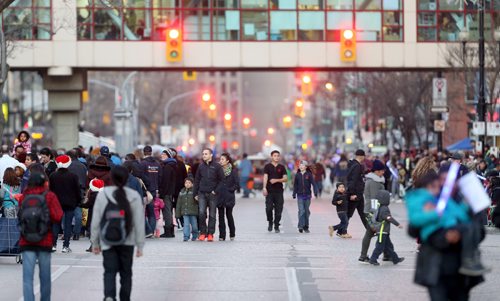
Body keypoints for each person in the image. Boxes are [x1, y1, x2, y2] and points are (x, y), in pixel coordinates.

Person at [407, 171, 486, 300]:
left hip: (461, 268)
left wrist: (459, 235)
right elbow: (412, 230)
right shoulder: (430, 200)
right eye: (443, 179)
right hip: (435, 267)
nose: (446, 183)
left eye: (451, 180)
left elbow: (480, 231)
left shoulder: (466, 199)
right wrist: (442, 236)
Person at [91, 166, 145, 301]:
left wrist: (95, 242)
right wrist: (140, 245)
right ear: (127, 178)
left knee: (109, 271)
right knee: (126, 273)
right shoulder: (133, 196)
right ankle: (124, 298)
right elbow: (138, 222)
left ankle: (109, 296)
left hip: (107, 239)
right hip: (128, 240)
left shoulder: (103, 194)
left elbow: (96, 221)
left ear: (111, 177)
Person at [19, 172, 63, 301]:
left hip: (26, 240)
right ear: (44, 183)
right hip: (45, 240)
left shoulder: (24, 196)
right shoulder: (49, 196)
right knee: (45, 277)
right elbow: (58, 216)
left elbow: (20, 215)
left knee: (27, 278)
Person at [49, 155, 82, 253]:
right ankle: (65, 246)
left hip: (56, 203)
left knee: (55, 224)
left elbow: (50, 190)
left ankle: (53, 245)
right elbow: (77, 191)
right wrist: (78, 201)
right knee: (68, 224)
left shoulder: (52, 176)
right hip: (70, 203)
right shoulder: (73, 176)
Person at [194, 148, 224, 242]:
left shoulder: (217, 166)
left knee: (212, 215)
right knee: (201, 213)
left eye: (206, 154)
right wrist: (195, 193)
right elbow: (197, 180)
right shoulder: (201, 166)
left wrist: (215, 191)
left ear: (211, 155)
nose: (204, 155)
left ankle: (210, 234)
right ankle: (203, 233)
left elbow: (222, 180)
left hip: (212, 194)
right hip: (202, 193)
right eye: (203, 154)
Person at [359, 159, 386, 263]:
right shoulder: (374, 182)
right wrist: (376, 213)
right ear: (377, 171)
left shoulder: (374, 180)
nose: (383, 172)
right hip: (372, 210)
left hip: (370, 210)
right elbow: (375, 198)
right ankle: (385, 254)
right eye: (382, 170)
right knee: (378, 233)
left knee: (371, 233)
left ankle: (364, 255)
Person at [369, 190, 405, 266]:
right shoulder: (384, 208)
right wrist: (397, 224)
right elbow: (388, 217)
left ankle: (395, 259)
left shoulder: (380, 207)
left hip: (384, 231)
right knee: (380, 247)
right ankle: (373, 259)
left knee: (389, 246)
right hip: (382, 231)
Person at [263, 150, 288, 233]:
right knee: (268, 208)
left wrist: (276, 180)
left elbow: (285, 179)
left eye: (278, 156)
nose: (276, 157)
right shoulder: (267, 166)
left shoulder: (282, 167)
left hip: (279, 192)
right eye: (275, 156)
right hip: (269, 191)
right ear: (271, 157)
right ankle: (270, 222)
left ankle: (276, 224)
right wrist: (264, 188)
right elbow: (265, 177)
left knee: (279, 210)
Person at [140, 145, 161, 238]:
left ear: (144, 152)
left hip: (145, 190)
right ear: (151, 152)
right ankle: (151, 231)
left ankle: (147, 231)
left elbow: (141, 177)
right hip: (154, 190)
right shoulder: (157, 164)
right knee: (151, 212)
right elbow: (160, 177)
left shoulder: (142, 164)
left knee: (143, 211)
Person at [217, 153, 239, 241]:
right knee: (220, 216)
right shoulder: (218, 170)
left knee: (229, 215)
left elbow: (237, 184)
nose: (220, 161)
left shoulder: (233, 171)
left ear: (227, 161)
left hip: (229, 196)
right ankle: (222, 235)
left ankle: (232, 234)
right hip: (220, 196)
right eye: (220, 159)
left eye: (222, 159)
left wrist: (230, 190)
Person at [292, 160, 318, 233]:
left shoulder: (309, 174)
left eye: (302, 165)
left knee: (306, 211)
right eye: (300, 165)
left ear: (306, 167)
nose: (301, 166)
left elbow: (313, 183)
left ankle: (306, 226)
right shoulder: (297, 175)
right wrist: (294, 193)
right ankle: (300, 226)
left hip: (307, 195)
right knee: (301, 211)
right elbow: (295, 186)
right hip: (300, 195)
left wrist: (315, 191)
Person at [67, 150, 88, 241]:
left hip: (69, 191)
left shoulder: (68, 166)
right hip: (80, 191)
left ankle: (68, 232)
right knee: (78, 213)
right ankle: (77, 233)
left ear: (69, 157)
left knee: (68, 213)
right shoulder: (83, 166)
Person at [346, 149, 368, 230]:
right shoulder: (357, 166)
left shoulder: (352, 164)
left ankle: (370, 230)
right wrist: (352, 194)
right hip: (355, 194)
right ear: (361, 156)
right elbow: (353, 180)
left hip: (358, 193)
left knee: (362, 213)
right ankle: (341, 230)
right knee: (349, 214)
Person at [159, 149, 176, 238]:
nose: (162, 156)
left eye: (164, 155)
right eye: (161, 154)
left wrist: (162, 194)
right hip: (170, 191)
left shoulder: (167, 167)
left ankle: (168, 231)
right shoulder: (171, 165)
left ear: (168, 156)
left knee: (167, 211)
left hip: (167, 192)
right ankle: (170, 231)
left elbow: (165, 182)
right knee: (168, 211)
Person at [175, 177, 199, 241]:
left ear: (192, 184)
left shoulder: (194, 191)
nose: (187, 184)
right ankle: (186, 236)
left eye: (189, 183)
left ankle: (195, 235)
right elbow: (179, 203)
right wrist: (177, 214)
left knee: (194, 226)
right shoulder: (182, 191)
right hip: (185, 212)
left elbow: (198, 202)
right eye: (186, 183)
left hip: (193, 212)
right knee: (186, 225)